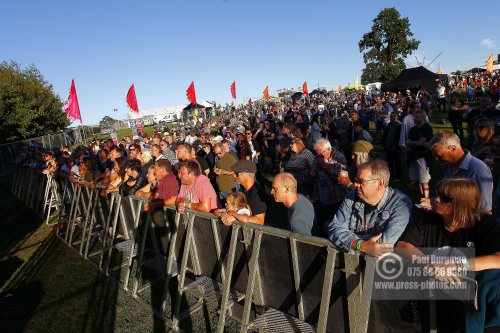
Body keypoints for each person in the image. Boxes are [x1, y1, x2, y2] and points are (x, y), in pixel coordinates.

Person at [396, 178, 500, 332]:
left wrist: (457, 264)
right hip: (434, 291)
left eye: (445, 198)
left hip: (473, 294)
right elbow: (403, 246)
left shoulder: (485, 224)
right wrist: (428, 262)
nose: (436, 199)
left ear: (464, 203)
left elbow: (497, 258)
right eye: (437, 194)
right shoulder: (427, 219)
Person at [327, 159, 412, 256]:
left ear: (380, 184)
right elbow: (335, 228)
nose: (356, 184)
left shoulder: (401, 204)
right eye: (356, 180)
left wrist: (348, 240)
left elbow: (383, 246)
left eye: (361, 181)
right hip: (352, 263)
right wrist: (361, 245)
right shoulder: (353, 196)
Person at [428, 131, 493, 213]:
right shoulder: (448, 165)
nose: (436, 159)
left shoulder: (478, 170)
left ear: (452, 148)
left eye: (440, 155)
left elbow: (485, 209)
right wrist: (432, 201)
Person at [311, 139, 347, 236]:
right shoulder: (318, 157)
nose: (319, 156)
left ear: (329, 149)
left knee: (334, 222)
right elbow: (314, 171)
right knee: (322, 220)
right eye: (317, 153)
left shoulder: (339, 157)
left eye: (321, 153)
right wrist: (313, 173)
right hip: (320, 195)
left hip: (335, 197)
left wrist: (325, 166)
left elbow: (341, 178)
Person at [215, 160, 267, 226]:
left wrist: (235, 217)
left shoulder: (258, 194)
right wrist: (225, 215)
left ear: (249, 175)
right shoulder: (241, 190)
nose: (234, 175)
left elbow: (260, 221)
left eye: (237, 173)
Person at [406, 110, 433, 198]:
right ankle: (422, 196)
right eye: (414, 117)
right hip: (414, 155)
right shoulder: (413, 129)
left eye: (417, 117)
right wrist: (416, 142)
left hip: (423, 156)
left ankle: (426, 197)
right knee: (418, 178)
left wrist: (413, 143)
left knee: (424, 179)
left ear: (423, 118)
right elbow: (408, 142)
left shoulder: (427, 128)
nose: (414, 119)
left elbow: (419, 143)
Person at [383, 111, 402, 182]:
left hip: (396, 147)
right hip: (389, 146)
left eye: (394, 116)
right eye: (391, 116)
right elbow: (386, 134)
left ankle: (398, 176)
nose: (392, 118)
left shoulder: (399, 125)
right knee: (389, 162)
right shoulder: (390, 124)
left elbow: (400, 137)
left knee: (397, 162)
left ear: (397, 117)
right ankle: (390, 174)